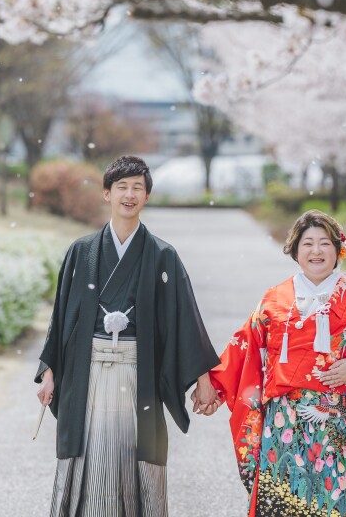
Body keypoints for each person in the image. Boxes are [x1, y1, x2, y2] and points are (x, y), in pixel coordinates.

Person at [35, 155, 220, 517]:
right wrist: (48, 371)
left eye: (137, 187)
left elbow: (185, 319)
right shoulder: (82, 252)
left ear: (147, 196)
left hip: (139, 375)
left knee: (137, 457)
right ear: (107, 194)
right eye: (121, 187)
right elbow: (62, 317)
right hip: (87, 373)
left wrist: (203, 379)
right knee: (87, 457)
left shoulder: (162, 255)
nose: (129, 194)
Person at [202, 210, 346, 517]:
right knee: (286, 494)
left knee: (334, 495)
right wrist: (212, 385)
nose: (316, 251)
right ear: (295, 251)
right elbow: (245, 346)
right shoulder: (275, 299)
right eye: (307, 243)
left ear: (338, 250)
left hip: (338, 418)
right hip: (284, 418)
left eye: (324, 243)